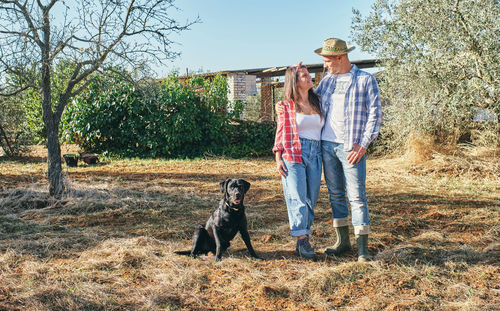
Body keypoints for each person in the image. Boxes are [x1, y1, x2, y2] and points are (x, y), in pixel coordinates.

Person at [315, 38, 382, 262]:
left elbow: (375, 114)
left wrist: (363, 145)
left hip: (351, 147)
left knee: (357, 196)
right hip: (327, 145)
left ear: (340, 57)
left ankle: (363, 248)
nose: (325, 65)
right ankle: (342, 242)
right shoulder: (326, 82)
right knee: (335, 195)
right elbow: (310, 103)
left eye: (327, 61)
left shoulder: (365, 80)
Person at [273, 62, 324, 259]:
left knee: (311, 199)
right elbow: (280, 134)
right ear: (294, 82)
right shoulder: (285, 106)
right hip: (293, 154)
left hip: (316, 153)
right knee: (297, 198)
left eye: (308, 74)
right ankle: (302, 239)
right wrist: (278, 158)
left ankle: (304, 235)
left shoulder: (318, 100)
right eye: (303, 75)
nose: (309, 77)